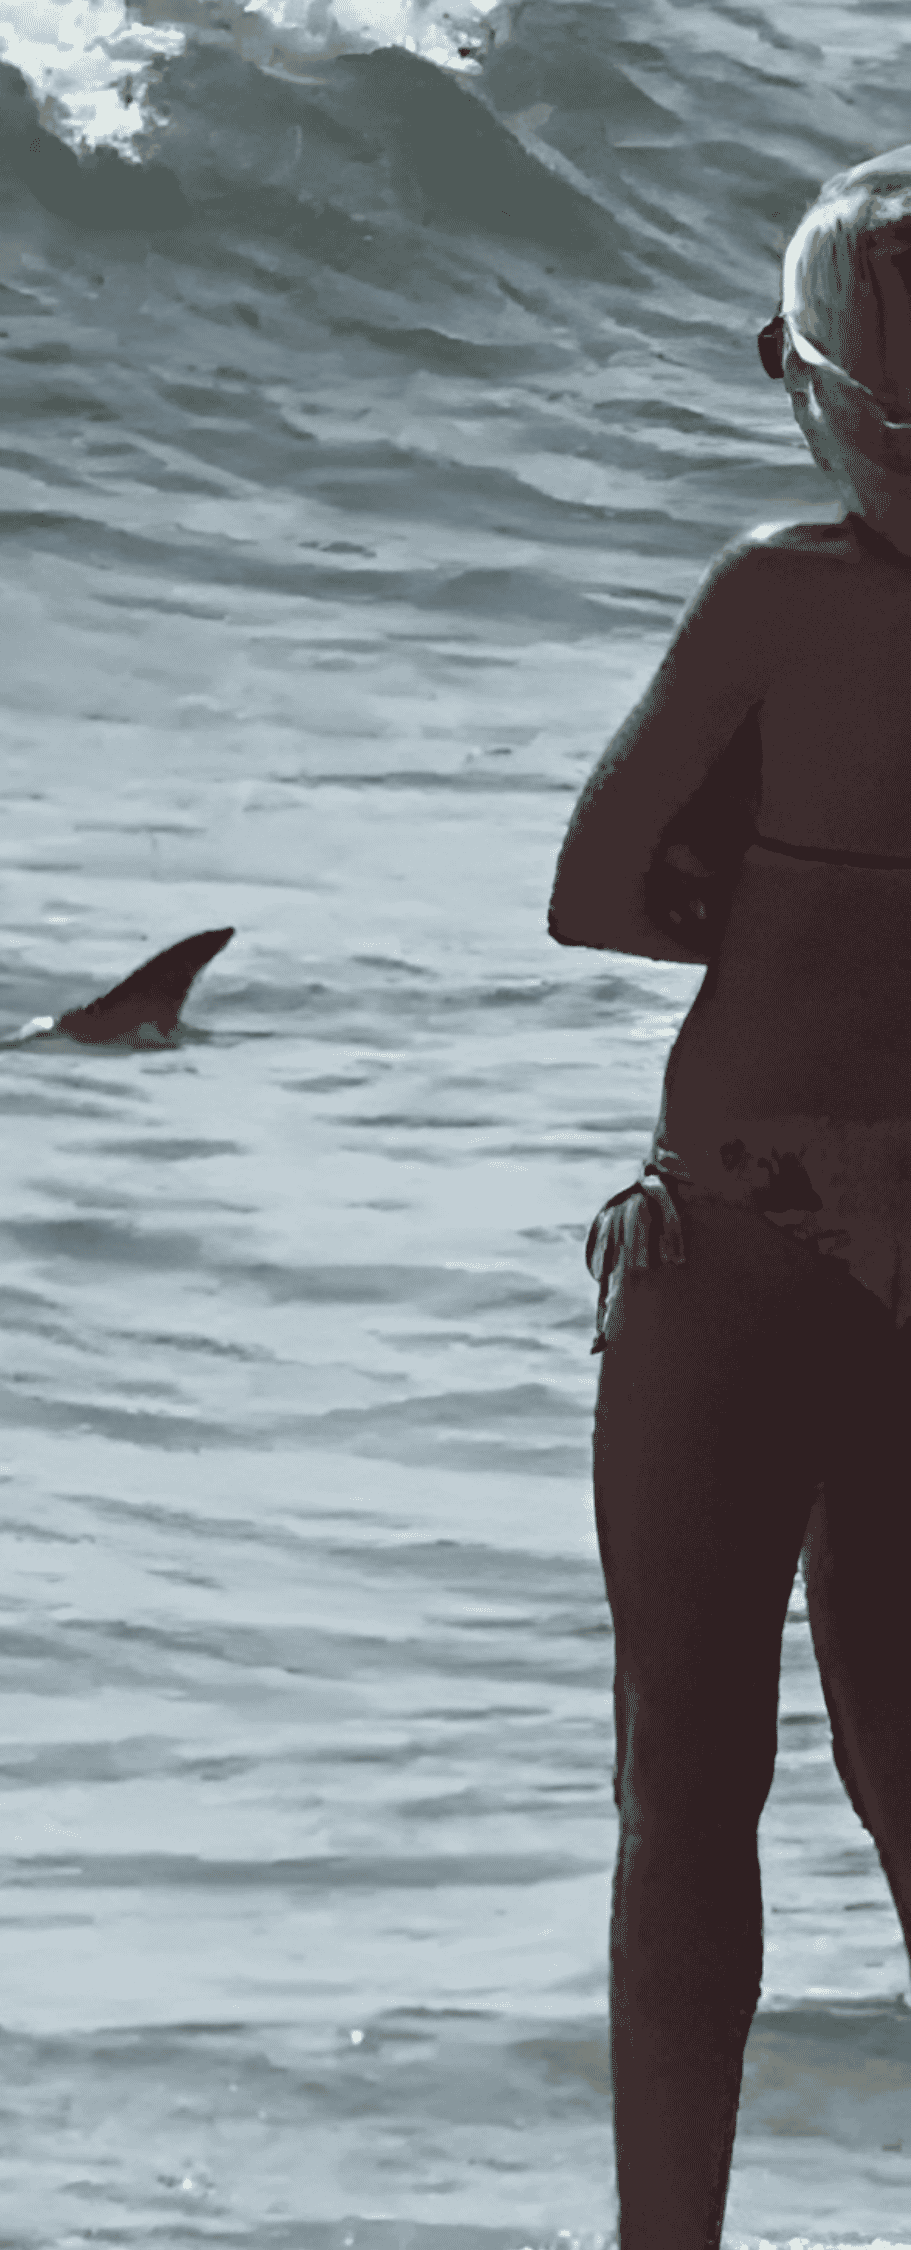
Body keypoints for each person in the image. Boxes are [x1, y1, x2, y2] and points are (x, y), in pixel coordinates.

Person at [548, 146, 911, 2250]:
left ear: (803, 378)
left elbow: (589, 890)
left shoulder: (780, 596)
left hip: (741, 1234)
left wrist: (760, 904)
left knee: (684, 1791)